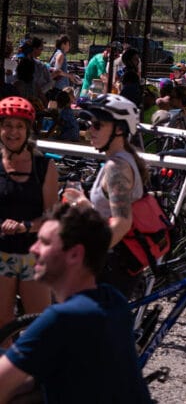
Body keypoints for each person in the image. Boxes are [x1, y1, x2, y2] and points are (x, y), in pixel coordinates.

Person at [0, 203, 153, 403]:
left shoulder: (63, 318)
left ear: (75, 254)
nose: (33, 249)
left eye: (44, 243)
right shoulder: (113, 300)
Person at [61, 94, 151, 296]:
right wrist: (85, 204)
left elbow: (121, 222)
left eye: (97, 125)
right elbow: (109, 213)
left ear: (119, 129)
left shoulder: (117, 167)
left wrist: (87, 260)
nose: (90, 130)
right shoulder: (121, 159)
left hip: (110, 266)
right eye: (89, 124)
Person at [0, 97, 59, 331]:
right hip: (2, 252)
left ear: (28, 130)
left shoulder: (44, 167)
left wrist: (25, 226)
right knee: (2, 322)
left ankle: (35, 367)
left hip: (33, 254)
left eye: (19, 126)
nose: (13, 132)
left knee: (38, 323)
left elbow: (52, 217)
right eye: (7, 125)